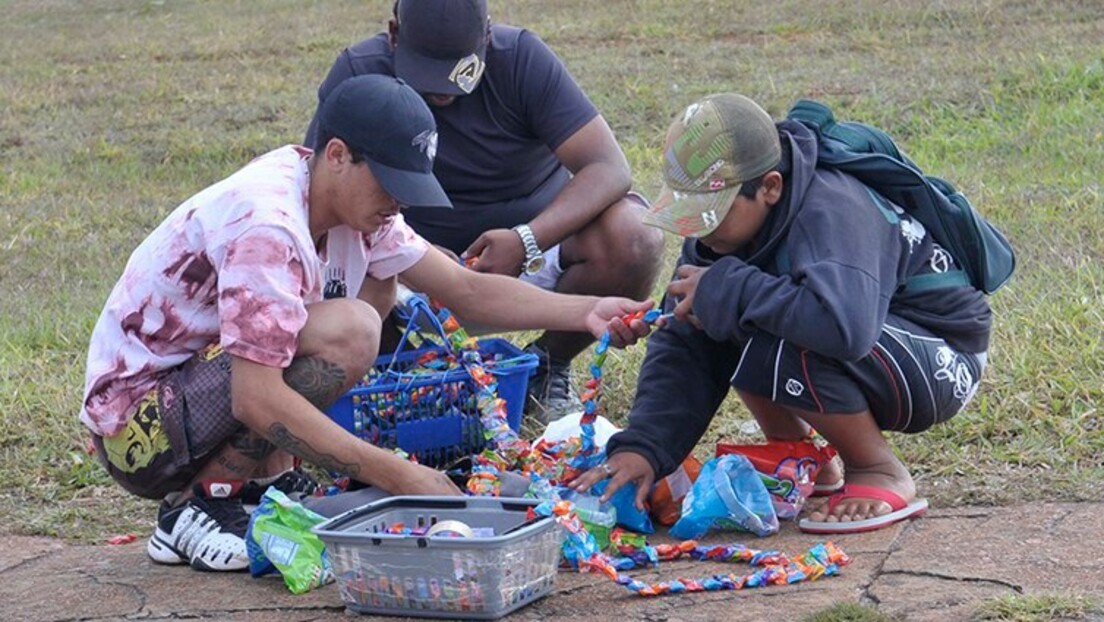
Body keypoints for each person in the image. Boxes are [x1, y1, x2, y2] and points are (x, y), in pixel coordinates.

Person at [80, 75, 653, 573]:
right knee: (350, 329)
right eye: (391, 183)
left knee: (363, 305)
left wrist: (584, 309)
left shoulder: (352, 207)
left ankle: (262, 486)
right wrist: (400, 476)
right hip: (140, 433)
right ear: (336, 155)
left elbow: (465, 291)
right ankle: (197, 506)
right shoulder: (268, 225)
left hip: (194, 396)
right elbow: (255, 397)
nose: (399, 204)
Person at [571, 93, 992, 534]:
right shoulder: (719, 234)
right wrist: (645, 448)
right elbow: (684, 341)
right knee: (723, 310)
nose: (701, 230)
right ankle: (804, 459)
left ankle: (877, 468)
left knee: (754, 312)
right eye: (690, 214)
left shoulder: (834, 208)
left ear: (770, 186)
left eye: (712, 214)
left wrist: (729, 290)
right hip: (876, 344)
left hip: (938, 358)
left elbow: (845, 328)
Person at [305, 0, 665, 422]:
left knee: (635, 235)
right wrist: (410, 252)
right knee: (357, 267)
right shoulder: (359, 74)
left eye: (458, 70)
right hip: (406, 263)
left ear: (488, 36)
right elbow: (322, 195)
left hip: (526, 251)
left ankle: (547, 368)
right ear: (394, 34)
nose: (442, 90)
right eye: (425, 70)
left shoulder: (521, 59)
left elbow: (609, 167)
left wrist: (527, 238)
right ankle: (399, 383)